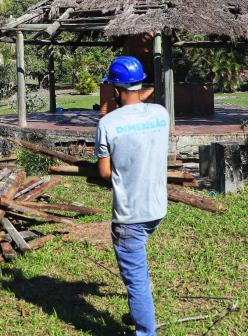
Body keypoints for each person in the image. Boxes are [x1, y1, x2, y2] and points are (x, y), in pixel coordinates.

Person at [94, 56, 170, 336]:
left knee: (136, 280)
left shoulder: (108, 123)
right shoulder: (161, 114)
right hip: (156, 209)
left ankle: (146, 331)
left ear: (115, 89)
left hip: (130, 215)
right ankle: (139, 310)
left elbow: (104, 172)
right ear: (140, 84)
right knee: (136, 270)